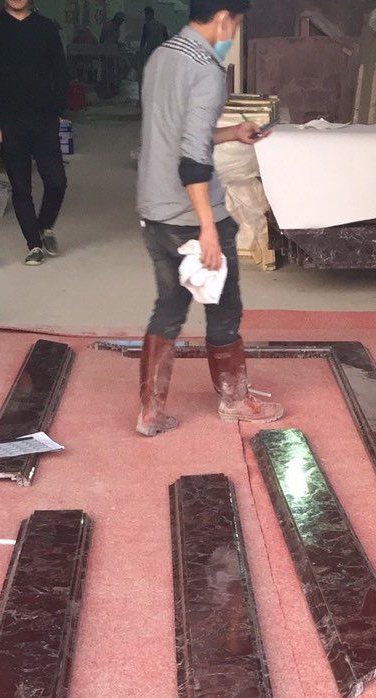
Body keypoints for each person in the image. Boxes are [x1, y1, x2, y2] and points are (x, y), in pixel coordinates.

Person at [135, 0, 283, 436]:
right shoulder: (206, 69)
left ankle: (150, 411)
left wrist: (232, 133)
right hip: (191, 214)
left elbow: (179, 134)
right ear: (222, 18)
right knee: (224, 307)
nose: (232, 33)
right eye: (235, 23)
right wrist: (207, 229)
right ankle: (235, 400)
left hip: (154, 210)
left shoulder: (161, 56)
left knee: (169, 305)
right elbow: (192, 161)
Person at [0, 0, 68, 266]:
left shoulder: (46, 28)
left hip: (44, 119)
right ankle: (34, 244)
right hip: (9, 120)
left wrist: (56, 109)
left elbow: (60, 71)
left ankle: (44, 225)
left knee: (57, 182)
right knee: (20, 186)